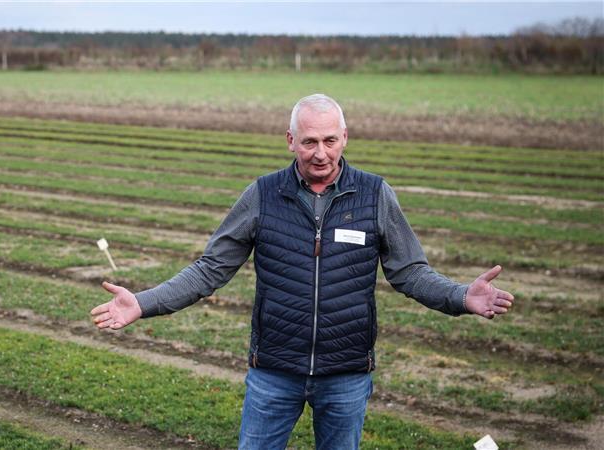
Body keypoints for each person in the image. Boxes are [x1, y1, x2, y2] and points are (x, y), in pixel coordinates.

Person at [90, 93, 515, 450]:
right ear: (290, 140)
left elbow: (410, 272)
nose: (321, 153)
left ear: (345, 137)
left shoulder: (374, 195)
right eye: (309, 141)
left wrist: (461, 296)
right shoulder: (262, 195)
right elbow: (208, 270)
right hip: (274, 370)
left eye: (331, 140)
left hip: (345, 372)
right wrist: (142, 303)